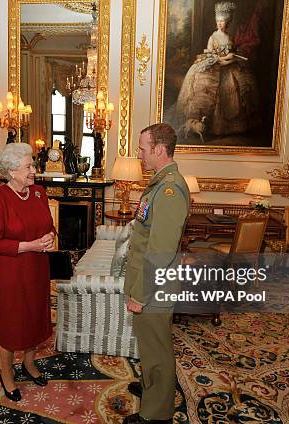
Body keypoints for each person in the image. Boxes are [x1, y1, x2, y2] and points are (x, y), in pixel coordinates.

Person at [123, 123, 190, 424]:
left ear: (159, 150)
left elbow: (160, 251)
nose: (139, 154)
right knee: (149, 346)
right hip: (149, 282)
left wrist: (141, 293)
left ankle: (155, 413)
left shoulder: (169, 189)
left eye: (142, 148)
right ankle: (153, 389)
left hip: (153, 287)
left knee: (157, 350)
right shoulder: (160, 184)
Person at [0, 143, 56, 402]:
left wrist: (49, 236)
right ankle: (6, 372)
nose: (34, 170)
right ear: (12, 171)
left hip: (37, 268)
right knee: (13, 322)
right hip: (11, 272)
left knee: (36, 317)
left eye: (32, 166)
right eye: (29, 166)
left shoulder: (38, 193)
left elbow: (49, 226)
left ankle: (28, 362)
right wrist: (29, 246)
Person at [166, 1, 260, 142]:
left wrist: (231, 57)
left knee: (235, 88)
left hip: (229, 68)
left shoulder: (229, 37)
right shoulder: (213, 37)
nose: (220, 24)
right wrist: (221, 59)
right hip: (214, 65)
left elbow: (231, 51)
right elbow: (210, 53)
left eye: (223, 21)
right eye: (218, 21)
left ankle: (226, 126)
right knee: (206, 90)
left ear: (227, 22)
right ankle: (201, 122)